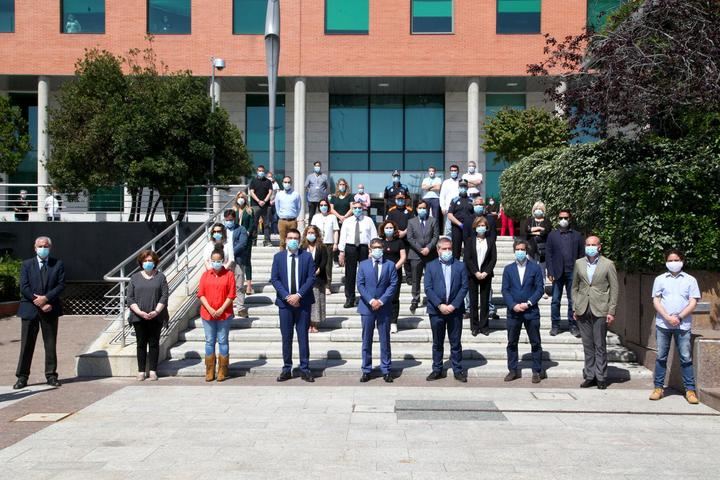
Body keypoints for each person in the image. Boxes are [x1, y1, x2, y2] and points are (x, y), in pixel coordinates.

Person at [649, 249, 701, 405]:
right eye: (670, 260)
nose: (673, 263)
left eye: (676, 260)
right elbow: (656, 300)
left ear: (682, 261)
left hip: (683, 324)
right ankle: (658, 388)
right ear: (666, 262)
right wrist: (667, 317)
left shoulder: (690, 280)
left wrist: (679, 317)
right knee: (661, 357)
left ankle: (690, 390)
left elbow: (693, 302)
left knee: (685, 357)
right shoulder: (660, 279)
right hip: (663, 324)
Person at [13, 236, 65, 390]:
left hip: (50, 309)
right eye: (40, 246)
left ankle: (51, 375)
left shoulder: (58, 264)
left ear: (50, 247)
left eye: (46, 245)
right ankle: (22, 377)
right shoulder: (27, 264)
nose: (43, 248)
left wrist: (47, 299)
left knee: (50, 344)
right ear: (35, 248)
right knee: (26, 345)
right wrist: (38, 301)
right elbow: (24, 286)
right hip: (30, 309)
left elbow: (61, 285)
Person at [571, 236, 618, 390]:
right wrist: (575, 307)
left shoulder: (608, 264)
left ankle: (601, 376)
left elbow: (614, 288)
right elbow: (575, 287)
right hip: (583, 308)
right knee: (587, 345)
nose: (590, 247)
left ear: (599, 246)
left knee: (600, 344)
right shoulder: (579, 263)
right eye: (588, 244)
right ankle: (590, 375)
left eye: (593, 245)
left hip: (601, 308)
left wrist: (611, 310)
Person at [270, 229, 316, 382]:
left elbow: (311, 278)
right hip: (285, 303)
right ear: (285, 240)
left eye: (296, 238)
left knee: (303, 336)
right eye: (290, 238)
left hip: (303, 303)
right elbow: (275, 279)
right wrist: (287, 296)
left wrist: (299, 295)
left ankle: (305, 368)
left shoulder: (307, 257)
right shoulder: (278, 257)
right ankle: (286, 368)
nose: (293, 241)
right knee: (286, 337)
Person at [424, 237, 469, 382]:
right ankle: (437, 369)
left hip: (455, 311)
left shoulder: (460, 266)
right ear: (438, 250)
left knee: (455, 342)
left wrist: (453, 305)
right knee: (437, 342)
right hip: (436, 311)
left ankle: (457, 369)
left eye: (449, 248)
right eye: (444, 249)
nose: (447, 251)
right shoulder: (430, 266)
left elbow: (464, 287)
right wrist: (440, 305)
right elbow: (428, 288)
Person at [501, 240, 546, 383]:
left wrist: (528, 303)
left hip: (530, 311)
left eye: (522, 249)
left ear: (526, 251)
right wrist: (513, 305)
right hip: (514, 312)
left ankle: (537, 371)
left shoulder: (535, 268)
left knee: (535, 342)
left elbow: (540, 289)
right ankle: (513, 370)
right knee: (512, 342)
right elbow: (505, 290)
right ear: (514, 251)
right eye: (517, 249)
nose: (520, 251)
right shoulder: (508, 269)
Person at [357, 238, 398, 383]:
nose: (377, 249)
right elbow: (360, 285)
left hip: (384, 307)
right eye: (374, 247)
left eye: (380, 247)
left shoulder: (390, 265)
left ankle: (386, 369)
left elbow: (393, 285)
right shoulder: (363, 265)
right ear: (370, 248)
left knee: (385, 340)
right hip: (367, 307)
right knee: (366, 340)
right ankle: (366, 369)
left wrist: (380, 301)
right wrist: (371, 300)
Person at [127, 250, 169, 381]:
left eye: (150, 261)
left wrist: (156, 311)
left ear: (155, 262)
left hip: (155, 316)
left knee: (154, 343)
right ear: (141, 263)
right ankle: (141, 371)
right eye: (145, 261)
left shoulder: (160, 277)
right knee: (141, 344)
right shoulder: (134, 278)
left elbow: (164, 295)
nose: (147, 263)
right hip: (138, 317)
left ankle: (152, 370)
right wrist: (139, 312)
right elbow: (130, 298)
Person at [198, 247, 236, 382]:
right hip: (207, 314)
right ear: (210, 261)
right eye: (213, 261)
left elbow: (231, 294)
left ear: (223, 260)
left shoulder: (229, 274)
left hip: (224, 313)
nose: (216, 263)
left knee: (223, 340)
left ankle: (222, 369)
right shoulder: (205, 275)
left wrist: (221, 309)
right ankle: (209, 370)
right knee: (209, 341)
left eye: (219, 260)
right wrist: (209, 308)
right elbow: (201, 294)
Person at [545, 209, 585, 337]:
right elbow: (549, 254)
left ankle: (573, 325)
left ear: (570, 219)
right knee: (555, 300)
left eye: (566, 218)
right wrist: (550, 271)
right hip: (557, 272)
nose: (563, 220)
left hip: (572, 273)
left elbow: (581, 255)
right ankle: (555, 326)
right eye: (561, 217)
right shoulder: (552, 235)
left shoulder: (577, 236)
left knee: (572, 300)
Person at [338, 202, 378, 309]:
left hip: (364, 248)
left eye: (359, 208)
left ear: (363, 208)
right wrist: (341, 252)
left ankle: (366, 298)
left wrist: (372, 250)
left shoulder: (368, 220)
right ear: (351, 209)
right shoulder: (347, 221)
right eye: (355, 208)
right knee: (350, 274)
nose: (357, 210)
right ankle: (350, 298)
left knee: (366, 274)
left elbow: (374, 236)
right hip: (350, 248)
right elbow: (342, 237)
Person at [464, 216, 497, 336]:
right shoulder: (469, 240)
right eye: (479, 226)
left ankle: (484, 326)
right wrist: (476, 272)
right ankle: (474, 326)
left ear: (487, 227)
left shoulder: (491, 240)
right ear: (475, 227)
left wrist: (485, 272)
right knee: (473, 302)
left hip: (486, 275)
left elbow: (493, 259)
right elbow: (467, 258)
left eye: (483, 226)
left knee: (484, 302)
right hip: (473, 275)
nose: (481, 228)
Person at [406, 200, 439, 313]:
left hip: (431, 254)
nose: (422, 210)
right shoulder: (411, 222)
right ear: (416, 209)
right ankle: (415, 299)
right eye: (420, 208)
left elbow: (435, 237)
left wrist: (428, 248)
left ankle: (432, 299)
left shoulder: (433, 221)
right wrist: (420, 249)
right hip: (416, 254)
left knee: (431, 278)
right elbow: (410, 238)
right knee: (416, 278)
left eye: (424, 208)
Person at [379, 220, 406, 334]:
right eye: (387, 228)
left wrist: (394, 268)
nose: (389, 230)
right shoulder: (380, 243)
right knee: (382, 296)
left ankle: (393, 322)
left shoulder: (399, 242)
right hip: (382, 274)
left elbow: (403, 257)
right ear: (383, 230)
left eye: (391, 228)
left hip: (395, 273)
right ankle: (383, 320)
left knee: (394, 297)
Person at [310, 198, 339, 294]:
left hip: (328, 244)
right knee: (316, 264)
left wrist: (335, 243)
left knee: (328, 265)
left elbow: (335, 231)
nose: (323, 207)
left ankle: (327, 285)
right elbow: (311, 230)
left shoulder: (332, 217)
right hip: (317, 244)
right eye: (321, 205)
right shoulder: (315, 217)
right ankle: (315, 282)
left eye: (325, 205)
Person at [224, 210, 250, 318]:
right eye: (227, 220)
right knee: (225, 285)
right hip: (225, 261)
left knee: (239, 284)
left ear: (234, 219)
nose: (229, 222)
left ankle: (240, 307)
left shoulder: (241, 229)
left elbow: (243, 244)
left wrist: (231, 253)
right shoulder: (222, 230)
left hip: (237, 260)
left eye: (231, 220)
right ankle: (227, 307)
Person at [303, 225, 327, 333]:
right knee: (307, 302)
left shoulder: (322, 247)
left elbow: (324, 261)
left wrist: (319, 269)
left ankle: (315, 324)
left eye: (313, 233)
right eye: (309, 233)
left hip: (318, 278)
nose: (311, 235)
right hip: (305, 279)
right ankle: (307, 323)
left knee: (317, 301)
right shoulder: (302, 247)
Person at [385, 191, 413, 282]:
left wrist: (404, 232)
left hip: (407, 238)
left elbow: (412, 224)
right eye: (398, 199)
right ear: (395, 200)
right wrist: (396, 233)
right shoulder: (391, 211)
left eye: (402, 199)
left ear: (405, 200)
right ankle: (396, 275)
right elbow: (388, 224)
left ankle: (409, 277)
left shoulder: (409, 210)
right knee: (396, 257)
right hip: (395, 238)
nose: (400, 200)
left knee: (407, 258)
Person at [233, 191, 256, 295]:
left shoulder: (250, 210)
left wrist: (247, 232)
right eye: (239, 197)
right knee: (236, 261)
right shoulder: (234, 210)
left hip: (247, 239)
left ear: (245, 199)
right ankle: (236, 284)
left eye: (242, 197)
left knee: (247, 261)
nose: (241, 199)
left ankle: (249, 286)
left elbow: (252, 224)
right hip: (236, 240)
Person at [446, 179, 473, 260]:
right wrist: (460, 224)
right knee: (456, 249)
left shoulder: (471, 200)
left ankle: (467, 268)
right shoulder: (454, 200)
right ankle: (455, 268)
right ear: (458, 187)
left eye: (464, 186)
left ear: (467, 187)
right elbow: (450, 215)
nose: (463, 188)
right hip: (457, 228)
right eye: (461, 186)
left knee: (469, 249)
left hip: (468, 228)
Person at [523, 201, 551, 276]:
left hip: (543, 250)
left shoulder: (547, 221)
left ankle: (541, 286)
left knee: (541, 271)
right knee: (530, 270)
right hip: (531, 250)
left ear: (543, 210)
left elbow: (546, 232)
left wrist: (532, 231)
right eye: (536, 208)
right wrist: (539, 228)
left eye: (540, 208)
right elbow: (527, 230)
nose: (538, 210)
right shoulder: (529, 220)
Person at [249, 165, 274, 247]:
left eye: (262, 171)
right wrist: (258, 201)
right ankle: (253, 240)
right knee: (254, 224)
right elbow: (251, 192)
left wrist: (264, 201)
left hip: (266, 206)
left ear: (264, 172)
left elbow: (270, 192)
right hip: (255, 205)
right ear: (257, 171)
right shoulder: (253, 181)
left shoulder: (268, 181)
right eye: (259, 170)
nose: (261, 172)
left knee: (267, 224)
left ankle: (267, 241)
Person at [275, 176, 302, 250]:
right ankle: (282, 258)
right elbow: (277, 207)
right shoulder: (279, 194)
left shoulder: (296, 194)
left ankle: (293, 256)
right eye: (285, 182)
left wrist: (294, 216)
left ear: (291, 183)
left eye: (288, 182)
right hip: (282, 221)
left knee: (293, 241)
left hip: (292, 221)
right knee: (282, 241)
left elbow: (298, 207)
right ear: (282, 183)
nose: (287, 184)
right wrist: (281, 215)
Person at [439, 164, 460, 236]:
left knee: (458, 227)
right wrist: (442, 207)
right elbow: (442, 196)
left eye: (455, 170)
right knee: (448, 228)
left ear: (458, 171)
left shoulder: (461, 182)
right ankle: (448, 246)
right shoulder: (446, 182)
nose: (453, 172)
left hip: (459, 209)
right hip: (448, 209)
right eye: (452, 171)